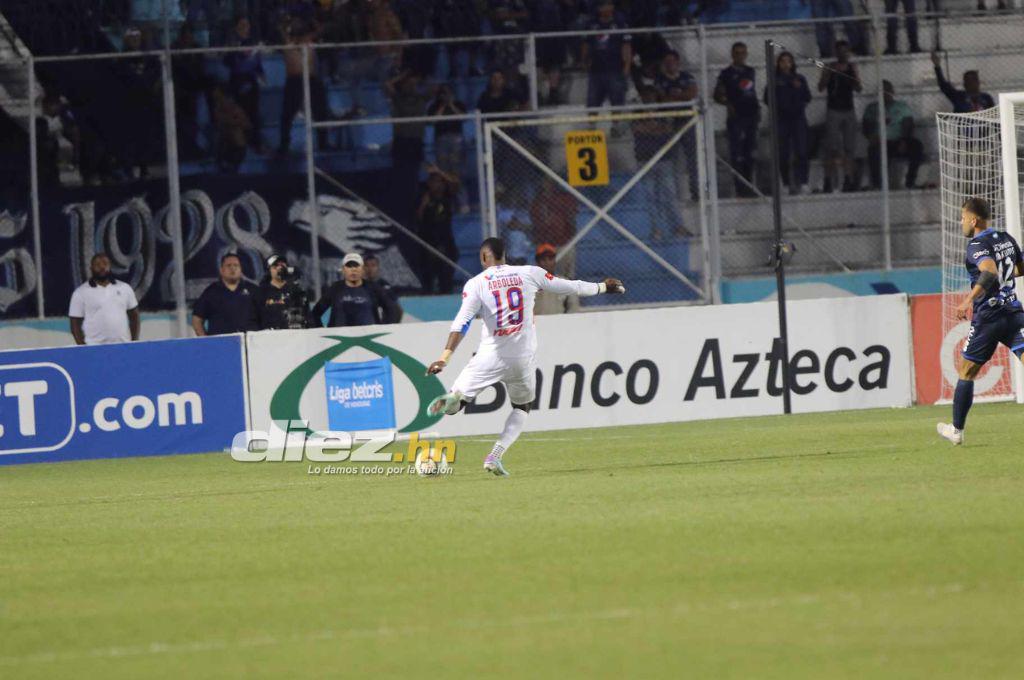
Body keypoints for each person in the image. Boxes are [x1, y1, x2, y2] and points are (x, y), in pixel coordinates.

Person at [424, 237, 625, 476]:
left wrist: (444, 357)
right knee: (522, 406)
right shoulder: (529, 273)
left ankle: (455, 399)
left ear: (483, 258)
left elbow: (463, 322)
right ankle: (495, 455)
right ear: (504, 255)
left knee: (455, 407)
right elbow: (571, 286)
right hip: (521, 358)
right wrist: (603, 286)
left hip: (489, 356)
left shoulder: (475, 284)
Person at [937, 198, 1024, 445]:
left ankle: (956, 430)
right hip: (1014, 312)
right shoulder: (1006, 238)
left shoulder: (977, 244)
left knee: (966, 372)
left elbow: (989, 271)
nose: (961, 222)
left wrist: (967, 301)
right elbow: (1019, 267)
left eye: (964, 218)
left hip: (989, 317)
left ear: (974, 220)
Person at [714, 42, 759, 196]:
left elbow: (751, 92)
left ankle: (750, 185)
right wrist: (728, 103)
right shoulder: (726, 73)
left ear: (746, 54)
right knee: (737, 154)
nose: (740, 56)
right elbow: (717, 95)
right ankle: (740, 188)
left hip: (751, 116)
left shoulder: (750, 71)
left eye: (742, 53)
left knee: (750, 153)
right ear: (732, 55)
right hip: (736, 118)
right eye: (737, 53)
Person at [862, 80, 924, 190]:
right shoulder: (872, 108)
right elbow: (866, 127)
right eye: (882, 91)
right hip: (880, 142)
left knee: (917, 146)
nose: (885, 93)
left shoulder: (901, 107)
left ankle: (910, 181)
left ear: (892, 91)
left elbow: (909, 125)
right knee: (873, 150)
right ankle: (878, 185)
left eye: (887, 90)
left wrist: (904, 140)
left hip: (898, 141)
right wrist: (871, 136)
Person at [818, 40, 862, 193]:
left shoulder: (851, 67)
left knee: (850, 148)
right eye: (840, 51)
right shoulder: (829, 67)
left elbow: (859, 88)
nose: (843, 54)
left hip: (848, 110)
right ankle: (828, 180)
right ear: (835, 52)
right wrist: (828, 73)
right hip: (834, 110)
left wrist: (854, 75)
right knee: (832, 148)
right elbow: (821, 87)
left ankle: (848, 179)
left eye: (845, 51)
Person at [766, 51, 812, 196]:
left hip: (798, 119)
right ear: (778, 64)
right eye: (783, 61)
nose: (786, 64)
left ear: (792, 64)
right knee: (783, 153)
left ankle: (803, 182)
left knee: (802, 152)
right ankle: (785, 183)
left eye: (788, 61)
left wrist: (799, 89)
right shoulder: (774, 80)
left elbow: (807, 97)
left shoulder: (800, 78)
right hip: (781, 121)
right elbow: (767, 99)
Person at [69, 253, 140, 345]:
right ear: (91, 268)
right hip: (94, 347)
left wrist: (134, 342)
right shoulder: (80, 293)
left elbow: (134, 316)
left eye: (105, 263)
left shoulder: (125, 288)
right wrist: (83, 348)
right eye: (97, 264)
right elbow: (75, 324)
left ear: (110, 266)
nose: (102, 267)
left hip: (123, 345)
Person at [312, 253, 401, 327]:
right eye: (349, 266)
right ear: (343, 270)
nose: (353, 270)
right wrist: (321, 334)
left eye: (356, 266)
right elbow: (314, 314)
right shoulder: (335, 288)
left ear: (362, 270)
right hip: (339, 342)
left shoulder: (374, 288)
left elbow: (394, 311)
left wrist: (384, 331)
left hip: (369, 340)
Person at [415, 165, 461, 294]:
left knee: (446, 273)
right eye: (433, 182)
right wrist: (424, 204)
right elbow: (418, 217)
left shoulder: (447, 196)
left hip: (445, 240)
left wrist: (439, 171)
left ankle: (446, 292)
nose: (436, 185)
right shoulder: (424, 195)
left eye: (439, 182)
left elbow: (456, 183)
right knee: (427, 274)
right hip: (428, 240)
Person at [224, 15, 266, 153]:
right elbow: (228, 62)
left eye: (246, 25)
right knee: (238, 116)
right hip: (237, 82)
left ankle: (256, 144)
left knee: (254, 114)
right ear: (236, 28)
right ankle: (237, 146)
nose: (244, 28)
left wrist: (261, 75)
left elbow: (257, 64)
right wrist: (237, 52)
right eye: (241, 25)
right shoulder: (231, 44)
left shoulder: (253, 43)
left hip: (251, 82)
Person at [581, 1, 632, 109]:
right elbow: (586, 44)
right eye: (602, 5)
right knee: (593, 101)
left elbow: (626, 46)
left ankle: (616, 125)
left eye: (607, 4)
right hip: (596, 69)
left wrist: (627, 66)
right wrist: (584, 61)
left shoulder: (620, 24)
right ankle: (592, 124)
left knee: (617, 100)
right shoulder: (591, 24)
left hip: (615, 69)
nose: (604, 8)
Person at [192, 253, 259, 336]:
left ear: (241, 269)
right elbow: (197, 319)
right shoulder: (211, 292)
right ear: (221, 270)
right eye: (228, 265)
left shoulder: (253, 290)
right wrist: (206, 342)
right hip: (221, 344)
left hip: (250, 343)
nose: (233, 268)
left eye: (236, 265)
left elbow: (264, 315)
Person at [255, 254, 312, 330]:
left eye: (282, 265)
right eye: (275, 266)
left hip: (295, 336)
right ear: (269, 270)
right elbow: (254, 318)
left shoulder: (297, 291)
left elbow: (308, 316)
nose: (279, 268)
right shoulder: (261, 292)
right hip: (270, 338)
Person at [533, 243, 581, 315]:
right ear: (537, 263)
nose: (547, 262)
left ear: (554, 261)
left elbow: (574, 309)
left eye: (550, 258)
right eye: (543, 259)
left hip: (560, 324)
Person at [363, 253, 404, 323]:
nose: (370, 269)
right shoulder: (360, 285)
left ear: (378, 267)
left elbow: (396, 309)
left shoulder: (384, 284)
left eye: (373, 265)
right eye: (367, 266)